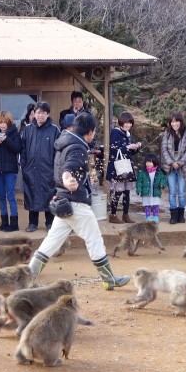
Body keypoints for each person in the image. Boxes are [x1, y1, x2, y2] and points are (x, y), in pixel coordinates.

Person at [28, 111, 130, 290]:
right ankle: (109, 279)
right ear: (89, 131)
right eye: (94, 132)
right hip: (76, 204)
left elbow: (65, 167)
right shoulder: (78, 148)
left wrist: (66, 181)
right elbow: (68, 168)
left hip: (63, 202)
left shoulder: (64, 143)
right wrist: (68, 180)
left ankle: (28, 279)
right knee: (95, 239)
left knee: (50, 243)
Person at [18, 101, 59, 232]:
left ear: (47, 114)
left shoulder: (54, 130)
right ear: (34, 114)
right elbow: (22, 150)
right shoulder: (28, 129)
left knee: (49, 194)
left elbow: (58, 151)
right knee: (31, 194)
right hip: (31, 169)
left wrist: (55, 169)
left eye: (43, 113)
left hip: (48, 170)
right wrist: (24, 166)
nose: (40, 115)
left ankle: (49, 223)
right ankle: (32, 223)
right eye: (38, 112)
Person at [0, 110, 22, 232]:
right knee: (1, 196)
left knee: (11, 196)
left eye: (4, 122)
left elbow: (18, 148)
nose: (2, 124)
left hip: (10, 170)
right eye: (0, 122)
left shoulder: (14, 133)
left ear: (9, 122)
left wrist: (6, 140)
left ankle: (14, 224)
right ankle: (4, 223)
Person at [106, 111, 141, 224]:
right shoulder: (115, 133)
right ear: (121, 122)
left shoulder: (128, 134)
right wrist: (127, 147)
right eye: (126, 123)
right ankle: (113, 214)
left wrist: (136, 148)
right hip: (117, 168)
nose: (128, 125)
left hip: (127, 167)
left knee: (127, 191)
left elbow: (130, 153)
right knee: (117, 191)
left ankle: (126, 214)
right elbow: (113, 150)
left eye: (130, 123)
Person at [161, 111, 186, 224]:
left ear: (181, 122)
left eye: (177, 121)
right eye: (172, 122)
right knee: (172, 191)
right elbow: (164, 150)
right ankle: (173, 215)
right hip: (170, 167)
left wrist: (179, 163)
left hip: (182, 167)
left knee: (182, 192)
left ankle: (181, 214)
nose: (174, 124)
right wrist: (171, 162)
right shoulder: (167, 133)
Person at [135, 153, 167, 223]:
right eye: (147, 162)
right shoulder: (142, 172)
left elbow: (163, 179)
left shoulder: (159, 172)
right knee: (147, 204)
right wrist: (138, 189)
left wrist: (162, 184)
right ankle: (148, 217)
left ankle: (155, 217)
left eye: (150, 162)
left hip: (156, 191)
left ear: (154, 162)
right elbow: (139, 181)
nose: (148, 164)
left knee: (155, 204)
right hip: (146, 191)